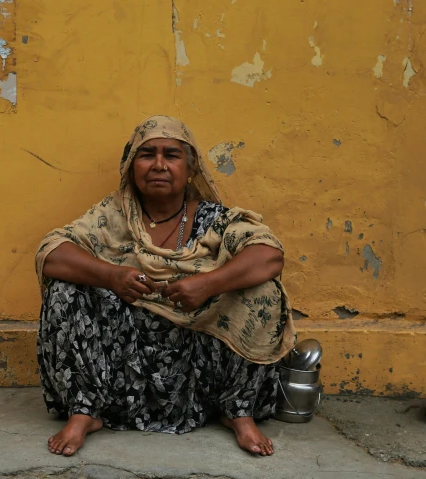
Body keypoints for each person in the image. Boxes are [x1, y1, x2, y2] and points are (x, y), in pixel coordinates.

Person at [35, 116, 297, 457]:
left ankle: (239, 412)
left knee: (263, 293)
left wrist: (207, 284)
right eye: (147, 155)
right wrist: (111, 276)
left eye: (171, 155)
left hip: (196, 371)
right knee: (64, 289)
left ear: (189, 170)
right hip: (123, 367)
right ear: (131, 167)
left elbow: (269, 256)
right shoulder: (112, 216)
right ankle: (85, 411)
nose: (159, 165)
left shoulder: (214, 220)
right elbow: (52, 252)